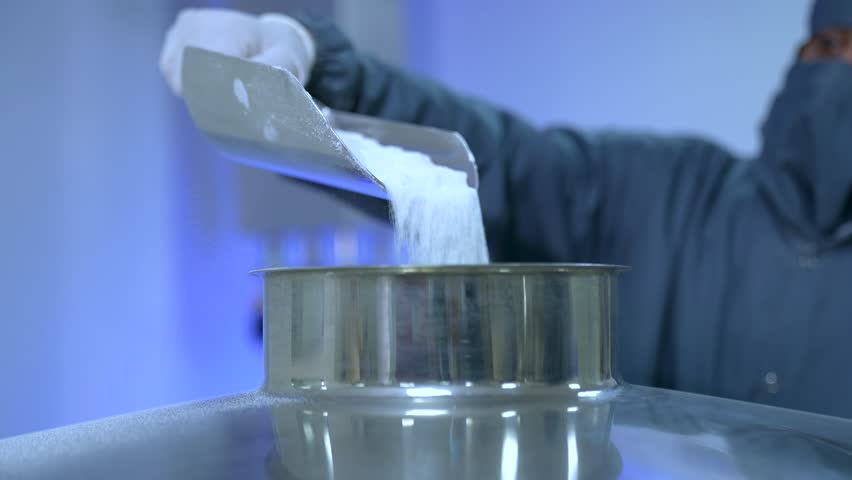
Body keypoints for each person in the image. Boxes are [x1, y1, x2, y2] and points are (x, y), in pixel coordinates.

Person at [159, 1, 852, 419]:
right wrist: (312, 66)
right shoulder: (667, 194)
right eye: (827, 48)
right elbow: (497, 163)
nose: (838, 72)